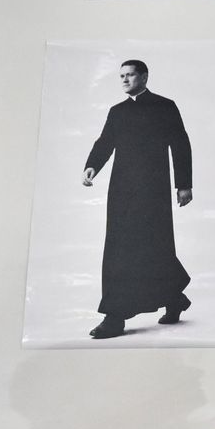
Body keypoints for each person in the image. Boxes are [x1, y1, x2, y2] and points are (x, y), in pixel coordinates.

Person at [82, 60, 193, 339]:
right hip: (120, 190)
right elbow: (105, 142)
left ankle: (121, 314)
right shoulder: (117, 111)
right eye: (121, 76)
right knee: (119, 248)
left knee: (154, 245)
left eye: (130, 75)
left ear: (144, 76)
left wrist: (184, 185)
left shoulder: (165, 106)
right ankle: (136, 309)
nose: (124, 79)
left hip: (153, 190)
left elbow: (180, 143)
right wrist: (92, 165)